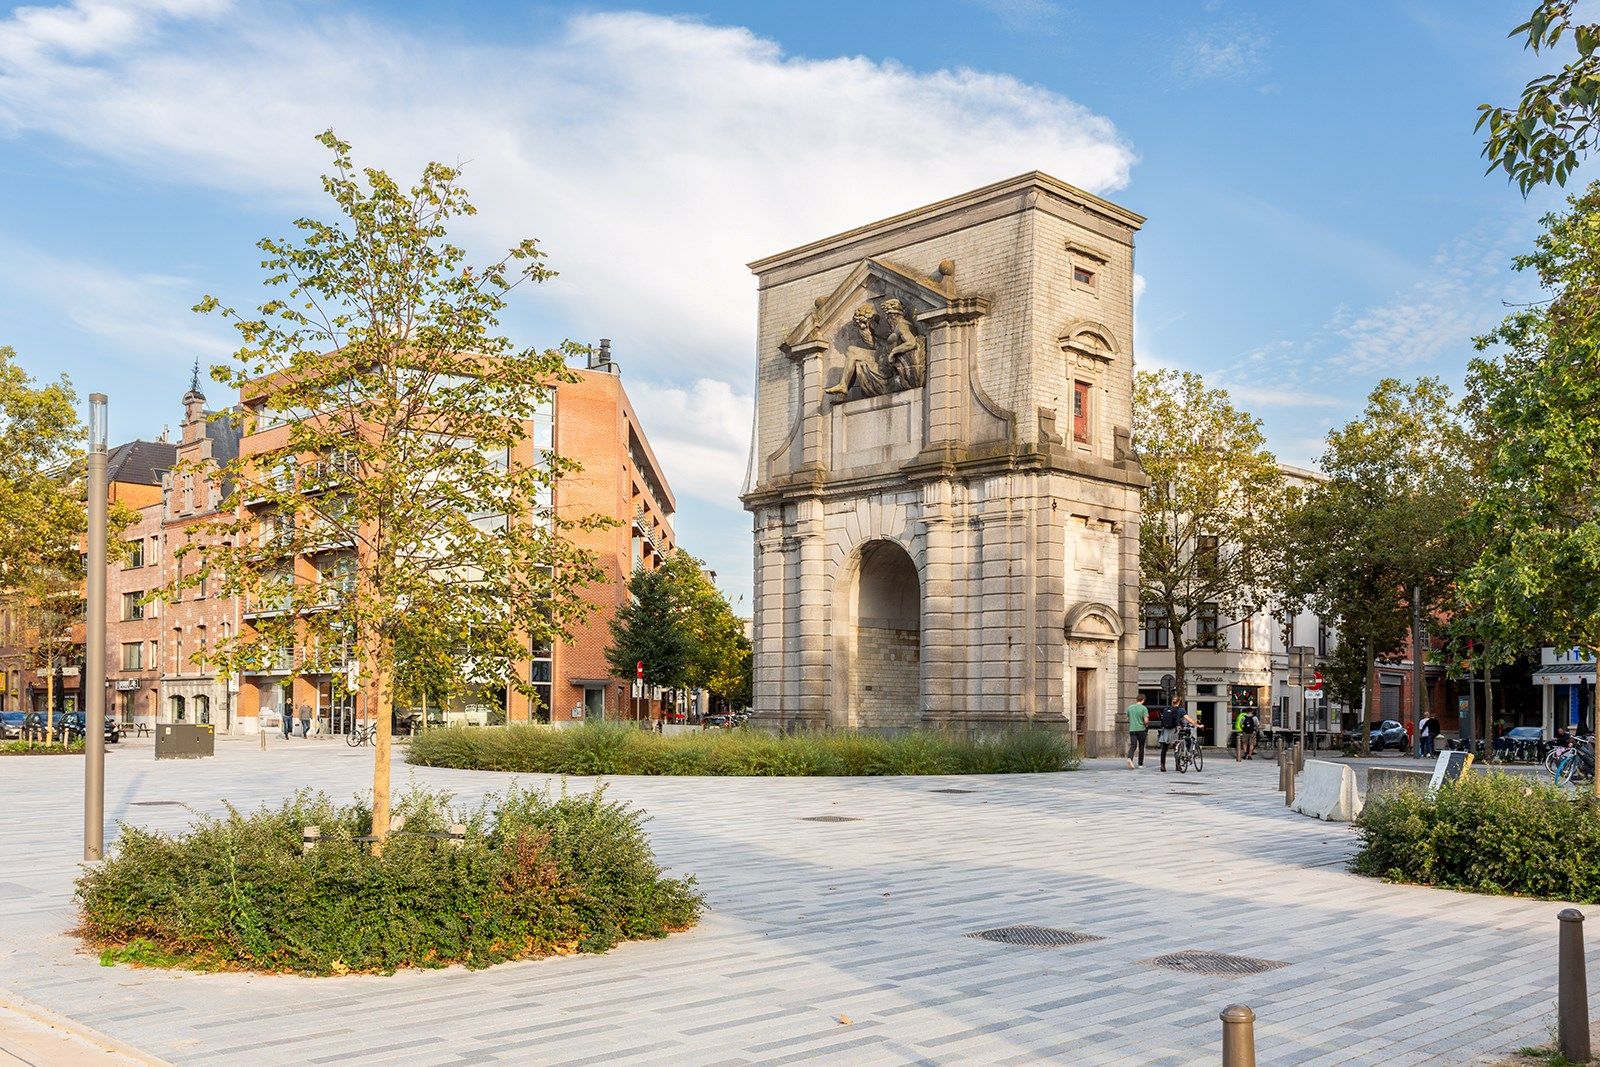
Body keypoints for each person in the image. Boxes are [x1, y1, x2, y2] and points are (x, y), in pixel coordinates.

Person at [1159, 703, 1197, 772]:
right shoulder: (1181, 710)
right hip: (1175, 730)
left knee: (1164, 749)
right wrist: (1197, 724)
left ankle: (1162, 766)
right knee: (1177, 748)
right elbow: (1187, 719)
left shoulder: (1167, 709)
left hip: (1166, 730)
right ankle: (1178, 765)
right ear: (1179, 702)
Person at [1125, 697, 1149, 769]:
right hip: (1141, 729)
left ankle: (1130, 758)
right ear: (1143, 700)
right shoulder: (1143, 708)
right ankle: (1140, 764)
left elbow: (1127, 718)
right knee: (1141, 747)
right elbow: (1146, 720)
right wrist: (1146, 724)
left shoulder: (1130, 708)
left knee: (1133, 745)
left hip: (1132, 729)